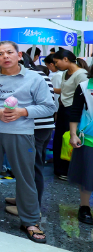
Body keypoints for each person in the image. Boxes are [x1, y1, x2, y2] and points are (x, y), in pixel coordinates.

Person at [0, 41, 56, 244]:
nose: (5, 57)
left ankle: (30, 220)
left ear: (19, 55)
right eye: (0, 54)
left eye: (9, 52)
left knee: (26, 176)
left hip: (21, 133)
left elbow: (49, 106)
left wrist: (23, 111)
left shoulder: (34, 78)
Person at [5, 53, 58, 216]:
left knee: (32, 167)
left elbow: (44, 105)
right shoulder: (37, 74)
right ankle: (23, 199)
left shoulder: (31, 76)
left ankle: (31, 207)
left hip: (34, 127)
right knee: (26, 166)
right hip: (40, 127)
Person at [52, 49, 88, 180]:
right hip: (63, 109)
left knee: (69, 140)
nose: (56, 65)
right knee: (59, 139)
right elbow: (64, 90)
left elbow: (84, 95)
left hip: (72, 110)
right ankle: (60, 169)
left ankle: (68, 170)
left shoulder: (81, 74)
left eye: (57, 62)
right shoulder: (65, 73)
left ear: (66, 59)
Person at [66, 69, 93, 225]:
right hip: (89, 138)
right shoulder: (84, 86)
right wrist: (73, 134)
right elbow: (75, 111)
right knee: (87, 174)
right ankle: (84, 207)